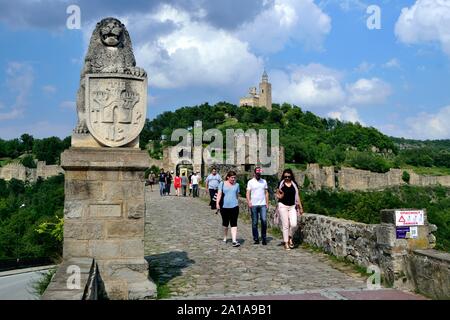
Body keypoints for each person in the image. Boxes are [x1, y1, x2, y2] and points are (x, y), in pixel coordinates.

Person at [275, 169, 304, 250]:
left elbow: (297, 197)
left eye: (289, 176)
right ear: (283, 176)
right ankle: (286, 242)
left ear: (291, 176)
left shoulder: (294, 185)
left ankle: (290, 237)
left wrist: (301, 208)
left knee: (294, 224)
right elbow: (277, 195)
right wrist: (280, 195)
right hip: (282, 205)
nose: (287, 178)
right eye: (285, 176)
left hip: (292, 206)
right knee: (285, 225)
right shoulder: (281, 184)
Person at [216, 171, 241, 247]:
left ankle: (234, 240)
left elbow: (237, 195)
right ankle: (225, 237)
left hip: (234, 206)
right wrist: (217, 203)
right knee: (225, 223)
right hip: (224, 207)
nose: (233, 179)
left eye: (234, 178)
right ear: (228, 177)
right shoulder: (222, 184)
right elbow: (219, 194)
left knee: (234, 223)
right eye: (232, 178)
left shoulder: (237, 185)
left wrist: (236, 202)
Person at [246, 167, 269, 245]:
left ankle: (264, 237)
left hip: (263, 204)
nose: (258, 175)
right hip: (254, 204)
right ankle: (256, 238)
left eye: (259, 174)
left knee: (264, 220)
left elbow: (266, 193)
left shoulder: (264, 181)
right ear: (254, 173)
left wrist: (267, 203)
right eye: (257, 174)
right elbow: (248, 193)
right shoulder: (250, 182)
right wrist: (249, 202)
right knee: (255, 222)